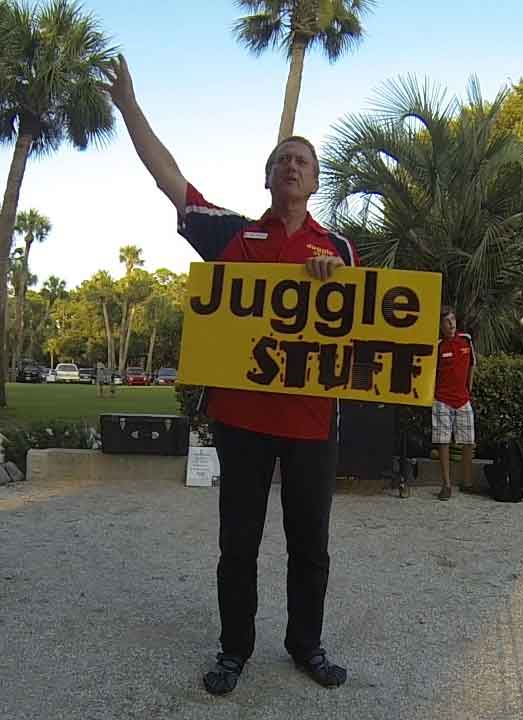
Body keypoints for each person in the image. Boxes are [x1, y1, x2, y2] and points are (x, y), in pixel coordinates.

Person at [104, 55, 355, 695]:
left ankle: (306, 645)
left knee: (311, 546)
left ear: (315, 181)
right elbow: (171, 181)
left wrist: (338, 283)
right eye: (282, 159)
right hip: (241, 421)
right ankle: (233, 649)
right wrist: (129, 107)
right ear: (267, 177)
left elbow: (367, 329)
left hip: (311, 424)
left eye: (302, 160)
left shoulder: (341, 250)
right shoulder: (233, 237)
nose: (291, 165)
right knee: (237, 544)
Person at [432, 306, 477, 500]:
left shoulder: (466, 340)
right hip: (442, 399)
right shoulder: (437, 345)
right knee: (443, 441)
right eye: (447, 322)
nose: (451, 325)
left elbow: (472, 364)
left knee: (468, 441)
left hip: (462, 399)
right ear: (440, 325)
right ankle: (446, 485)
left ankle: (466, 482)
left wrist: (469, 389)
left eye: (453, 320)